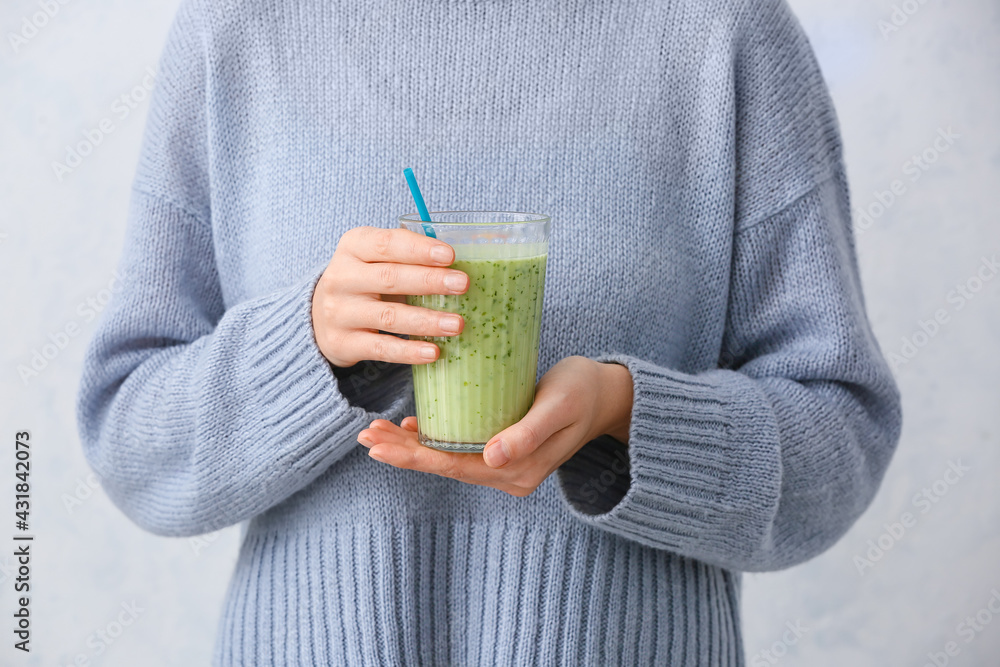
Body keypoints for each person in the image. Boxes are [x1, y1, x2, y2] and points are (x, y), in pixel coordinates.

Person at [76, 0, 902, 663]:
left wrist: (624, 417)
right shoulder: (238, 29)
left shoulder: (726, 31)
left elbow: (841, 442)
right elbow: (131, 437)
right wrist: (308, 350)